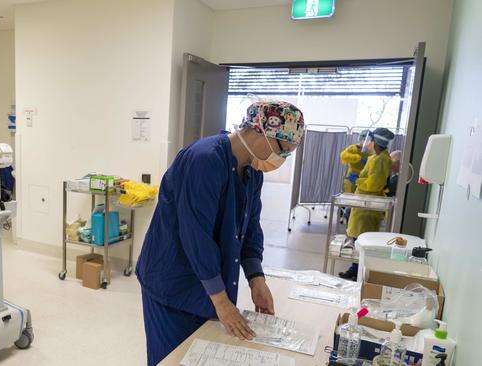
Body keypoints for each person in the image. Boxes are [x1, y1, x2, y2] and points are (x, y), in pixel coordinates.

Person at [136, 101, 305, 365]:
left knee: (201, 357)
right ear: (261, 131)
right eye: (283, 151)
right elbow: (195, 236)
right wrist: (222, 302)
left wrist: (256, 278)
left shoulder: (252, 169)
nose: (281, 161)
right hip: (172, 280)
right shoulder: (204, 160)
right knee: (172, 359)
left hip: (209, 283)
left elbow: (250, 227)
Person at [339, 127, 395, 280]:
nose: (367, 143)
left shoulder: (383, 159)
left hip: (369, 206)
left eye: (370, 140)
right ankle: (354, 269)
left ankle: (359, 273)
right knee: (358, 239)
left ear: (376, 142)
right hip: (362, 202)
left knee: (364, 241)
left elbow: (374, 184)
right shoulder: (375, 157)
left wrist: (357, 180)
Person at [340, 130, 371, 194]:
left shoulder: (370, 151)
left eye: (369, 141)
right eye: (365, 140)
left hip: (363, 180)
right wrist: (357, 158)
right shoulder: (354, 148)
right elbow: (344, 156)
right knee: (349, 197)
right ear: (361, 139)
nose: (367, 143)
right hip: (351, 177)